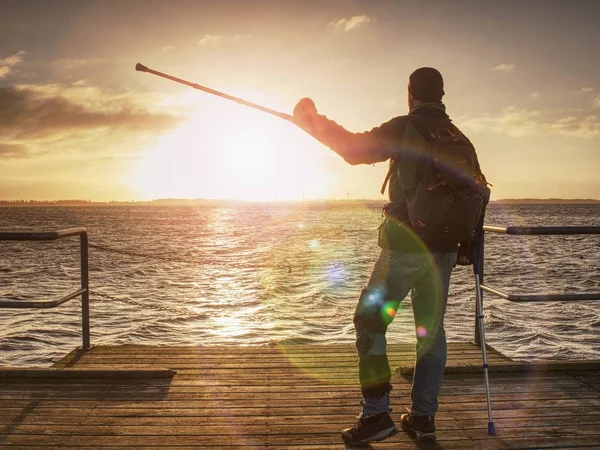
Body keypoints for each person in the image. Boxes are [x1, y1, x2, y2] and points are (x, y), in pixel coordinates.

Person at [293, 67, 485, 445]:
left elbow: (353, 148)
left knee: (369, 322)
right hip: (445, 251)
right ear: (442, 95)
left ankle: (376, 415)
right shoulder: (458, 137)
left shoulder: (406, 127)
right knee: (431, 332)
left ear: (410, 93)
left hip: (407, 247)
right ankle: (423, 418)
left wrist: (310, 122)